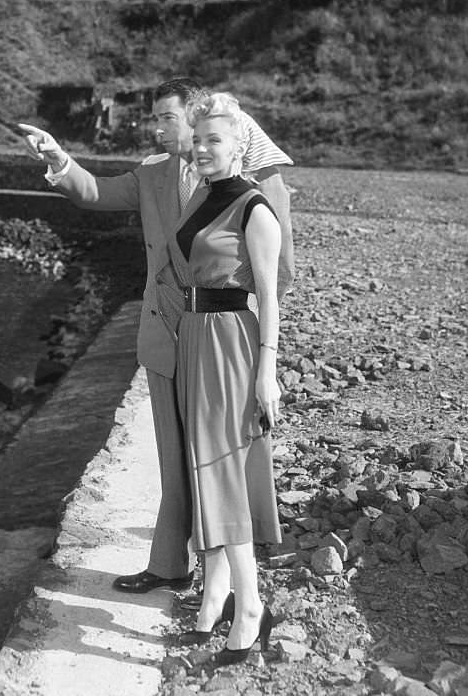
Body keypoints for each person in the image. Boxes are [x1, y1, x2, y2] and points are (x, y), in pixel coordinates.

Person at [17, 77, 293, 596]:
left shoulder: (250, 183)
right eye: (154, 119)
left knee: (221, 456)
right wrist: (59, 159)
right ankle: (171, 564)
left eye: (166, 118)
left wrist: (250, 336)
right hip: (164, 334)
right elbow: (95, 192)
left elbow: (280, 269)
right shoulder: (152, 175)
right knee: (173, 453)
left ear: (196, 119)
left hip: (218, 335)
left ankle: (234, 584)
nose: (156, 127)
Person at [168, 91, 282, 664]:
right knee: (199, 461)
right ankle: (215, 592)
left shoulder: (255, 208)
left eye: (215, 139)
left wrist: (268, 372)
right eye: (199, 138)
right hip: (194, 335)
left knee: (222, 467)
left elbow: (270, 295)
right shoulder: (199, 196)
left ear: (240, 144)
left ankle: (252, 601)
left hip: (231, 339)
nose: (204, 148)